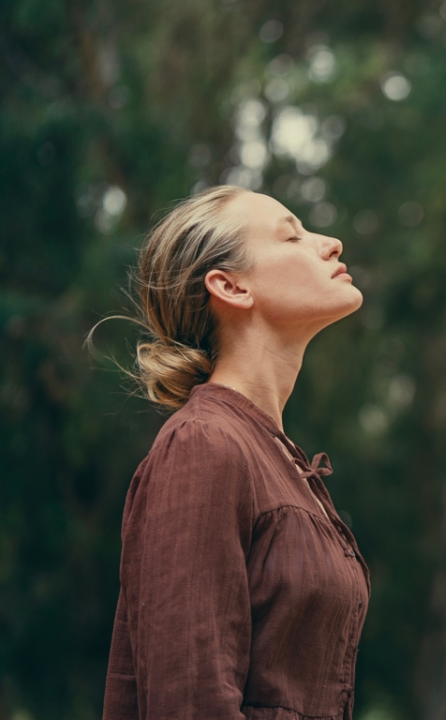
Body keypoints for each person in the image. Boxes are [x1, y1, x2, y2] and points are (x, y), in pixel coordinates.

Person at [99, 186, 370, 720]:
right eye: (292, 235)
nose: (332, 243)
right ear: (231, 286)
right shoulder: (204, 445)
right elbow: (188, 703)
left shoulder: (278, 459)